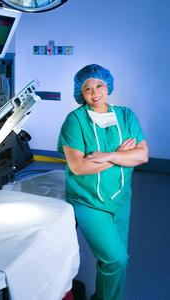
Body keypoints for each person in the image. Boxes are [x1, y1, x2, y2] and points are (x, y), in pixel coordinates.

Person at [57, 64, 149, 300]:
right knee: (117, 259)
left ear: (108, 86)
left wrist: (108, 155)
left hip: (120, 199)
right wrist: (122, 157)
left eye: (99, 85)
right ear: (80, 92)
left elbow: (142, 155)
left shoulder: (126, 115)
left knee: (114, 262)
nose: (94, 92)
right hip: (87, 201)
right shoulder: (75, 121)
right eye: (87, 88)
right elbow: (79, 166)